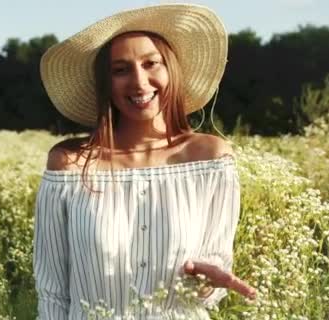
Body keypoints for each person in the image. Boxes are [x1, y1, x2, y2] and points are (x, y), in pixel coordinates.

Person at [33, 3, 256, 319]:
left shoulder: (211, 159)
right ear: (105, 84)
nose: (139, 82)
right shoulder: (69, 164)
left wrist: (207, 283)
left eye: (151, 63)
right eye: (120, 70)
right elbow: (52, 291)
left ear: (172, 70)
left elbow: (212, 276)